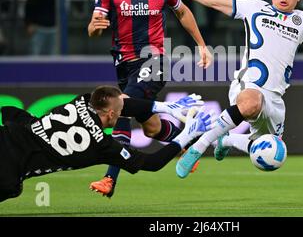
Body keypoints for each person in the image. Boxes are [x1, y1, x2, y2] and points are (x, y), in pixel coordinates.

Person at [154, 0, 303, 178]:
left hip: (275, 99)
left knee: (270, 150)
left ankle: (227, 140)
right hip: (249, 86)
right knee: (252, 103)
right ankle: (199, 147)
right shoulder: (254, 8)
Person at [87, 0, 212, 196]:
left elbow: (183, 12)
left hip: (155, 60)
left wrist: (202, 45)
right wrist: (94, 27)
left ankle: (109, 179)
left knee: (120, 106)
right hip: (125, 65)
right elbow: (94, 27)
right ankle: (187, 140)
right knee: (152, 128)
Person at [0, 85, 214, 202]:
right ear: (111, 114)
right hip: (8, 168)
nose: (123, 114)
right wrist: (186, 135)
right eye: (120, 113)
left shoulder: (83, 100)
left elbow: (124, 104)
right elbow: (152, 163)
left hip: (9, 134)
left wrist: (166, 107)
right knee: (12, 189)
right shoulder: (102, 145)